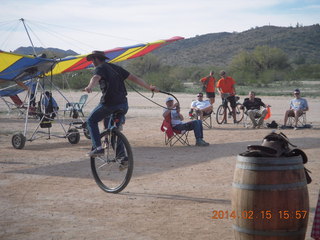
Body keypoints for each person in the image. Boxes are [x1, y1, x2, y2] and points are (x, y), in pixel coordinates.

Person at [84, 50, 158, 157]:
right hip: (123, 104)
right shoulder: (116, 68)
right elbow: (134, 78)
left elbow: (95, 77)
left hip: (109, 104)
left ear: (96, 59)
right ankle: (122, 158)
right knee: (114, 130)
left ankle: (98, 148)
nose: (91, 62)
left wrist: (90, 86)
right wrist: (149, 87)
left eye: (92, 60)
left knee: (91, 120)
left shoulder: (99, 68)